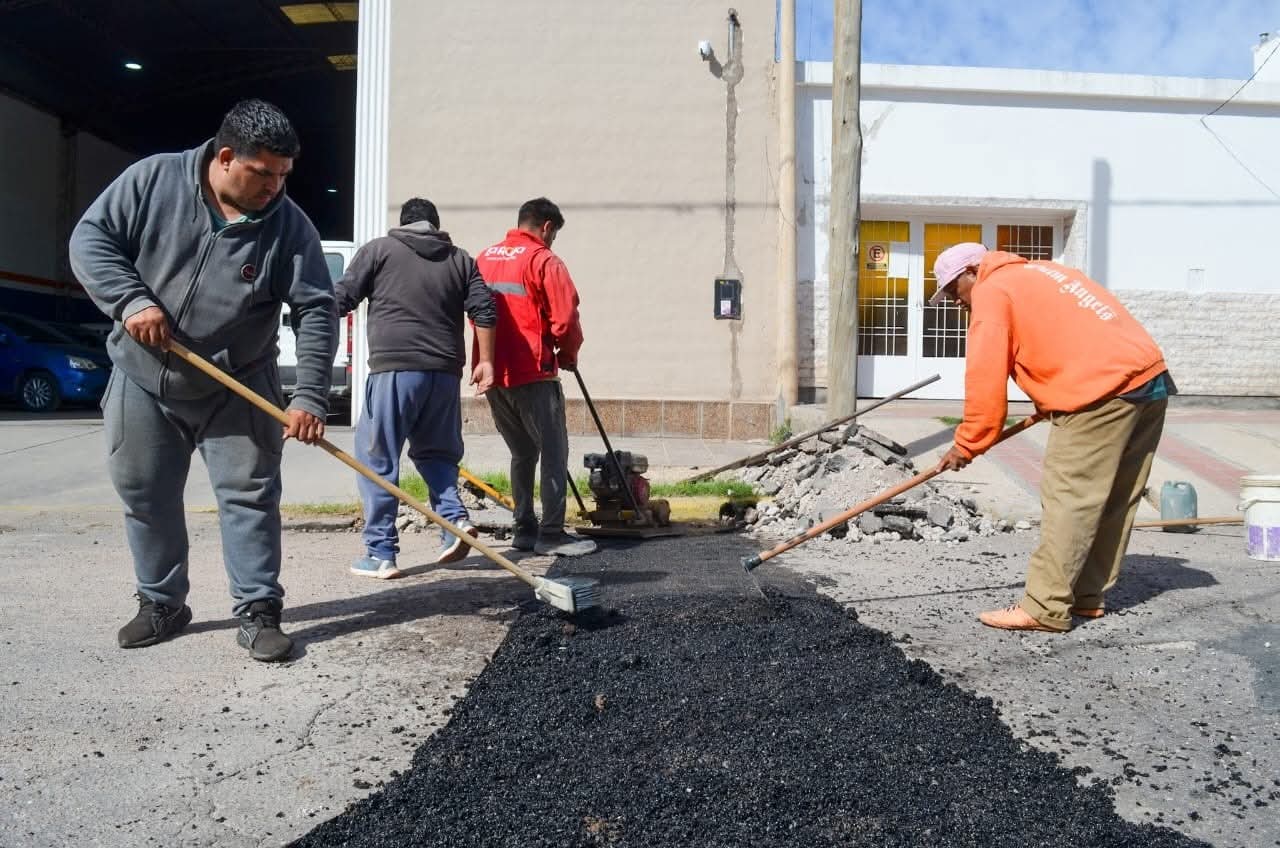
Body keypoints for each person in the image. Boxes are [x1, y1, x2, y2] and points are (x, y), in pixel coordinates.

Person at [69, 99, 337, 662]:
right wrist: (130, 300)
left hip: (237, 381)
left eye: (284, 175)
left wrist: (310, 394)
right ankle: (162, 602)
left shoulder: (288, 227)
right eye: (262, 173)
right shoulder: (153, 181)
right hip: (143, 375)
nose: (274, 187)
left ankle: (258, 610)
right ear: (223, 158)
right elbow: (91, 240)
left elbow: (315, 308)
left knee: (250, 495)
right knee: (144, 491)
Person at [931, 243, 1173, 633]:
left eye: (953, 290)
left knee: (1070, 499)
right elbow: (1075, 332)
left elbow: (985, 380)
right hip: (1149, 382)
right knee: (1113, 498)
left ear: (972, 272)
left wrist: (968, 443)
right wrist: (1053, 392)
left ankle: (1044, 607)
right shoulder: (1045, 272)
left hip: (1100, 394)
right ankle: (1086, 596)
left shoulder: (992, 292)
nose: (955, 302)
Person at [335, 198, 497, 578]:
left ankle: (380, 553)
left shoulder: (378, 251)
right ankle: (454, 523)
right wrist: (484, 361)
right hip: (443, 373)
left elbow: (341, 299)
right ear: (436, 226)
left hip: (394, 369)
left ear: (404, 224)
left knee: (377, 459)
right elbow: (484, 309)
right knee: (437, 455)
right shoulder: (460, 259)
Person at [474, 198, 597, 557]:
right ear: (546, 226)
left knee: (522, 452)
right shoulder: (544, 260)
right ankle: (552, 533)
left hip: (494, 372)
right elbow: (565, 317)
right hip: (533, 372)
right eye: (553, 234)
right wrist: (568, 354)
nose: (552, 240)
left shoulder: (485, 258)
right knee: (554, 452)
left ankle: (524, 528)